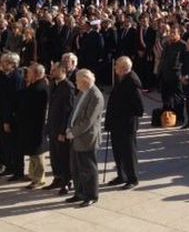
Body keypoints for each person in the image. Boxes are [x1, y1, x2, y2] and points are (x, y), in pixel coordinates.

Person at [65, 69, 104, 207]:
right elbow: (74, 112)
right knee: (76, 168)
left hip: (87, 138)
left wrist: (73, 132)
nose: (75, 83)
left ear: (85, 81)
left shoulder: (96, 96)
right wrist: (69, 127)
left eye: (77, 81)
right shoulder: (82, 91)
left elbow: (88, 121)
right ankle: (79, 193)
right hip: (75, 135)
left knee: (88, 169)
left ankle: (91, 195)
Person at [104, 56, 144, 190]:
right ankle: (121, 175)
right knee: (118, 151)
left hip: (126, 124)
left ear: (123, 68)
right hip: (116, 123)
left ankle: (132, 178)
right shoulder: (121, 78)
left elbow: (139, 108)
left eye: (117, 66)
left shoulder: (132, 81)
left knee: (128, 152)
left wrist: (124, 112)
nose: (114, 68)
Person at [16, 63, 50, 189]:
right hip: (29, 125)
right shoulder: (33, 86)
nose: (27, 75)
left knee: (37, 153)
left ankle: (39, 178)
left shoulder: (40, 88)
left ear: (36, 74)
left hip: (37, 126)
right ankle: (33, 176)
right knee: (32, 153)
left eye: (30, 73)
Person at [44, 63, 75, 195]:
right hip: (52, 126)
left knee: (63, 156)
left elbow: (68, 111)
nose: (51, 72)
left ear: (62, 71)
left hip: (60, 129)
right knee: (54, 156)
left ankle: (67, 181)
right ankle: (57, 178)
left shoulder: (68, 87)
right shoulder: (53, 84)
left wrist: (63, 131)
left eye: (54, 70)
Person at [0, 52, 26, 180]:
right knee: (6, 144)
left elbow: (12, 101)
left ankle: (18, 171)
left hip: (12, 117)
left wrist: (7, 120)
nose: (2, 65)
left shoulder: (16, 78)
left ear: (13, 64)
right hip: (4, 114)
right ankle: (9, 166)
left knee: (15, 145)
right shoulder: (5, 76)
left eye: (5, 62)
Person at [157, 27, 187, 125]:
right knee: (166, 97)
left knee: (178, 98)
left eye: (174, 33)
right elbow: (162, 59)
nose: (171, 34)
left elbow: (185, 62)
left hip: (176, 75)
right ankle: (167, 117)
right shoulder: (167, 44)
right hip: (165, 75)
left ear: (179, 34)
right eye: (170, 33)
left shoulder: (183, 45)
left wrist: (183, 75)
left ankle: (180, 118)